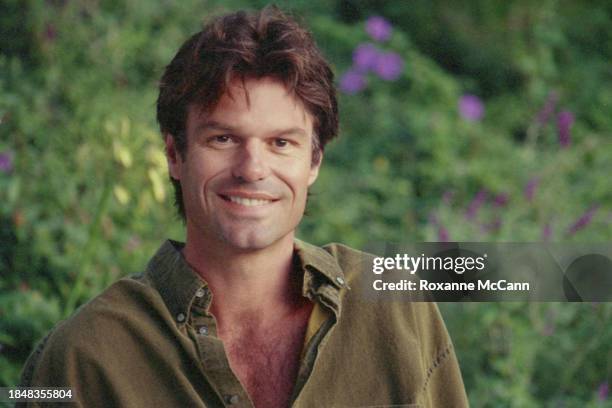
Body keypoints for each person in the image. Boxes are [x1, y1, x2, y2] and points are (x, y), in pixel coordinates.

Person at [19, 6, 468, 407]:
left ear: (313, 162)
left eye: (281, 143)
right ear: (175, 155)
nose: (252, 168)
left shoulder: (397, 307)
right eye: (223, 138)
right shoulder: (84, 358)